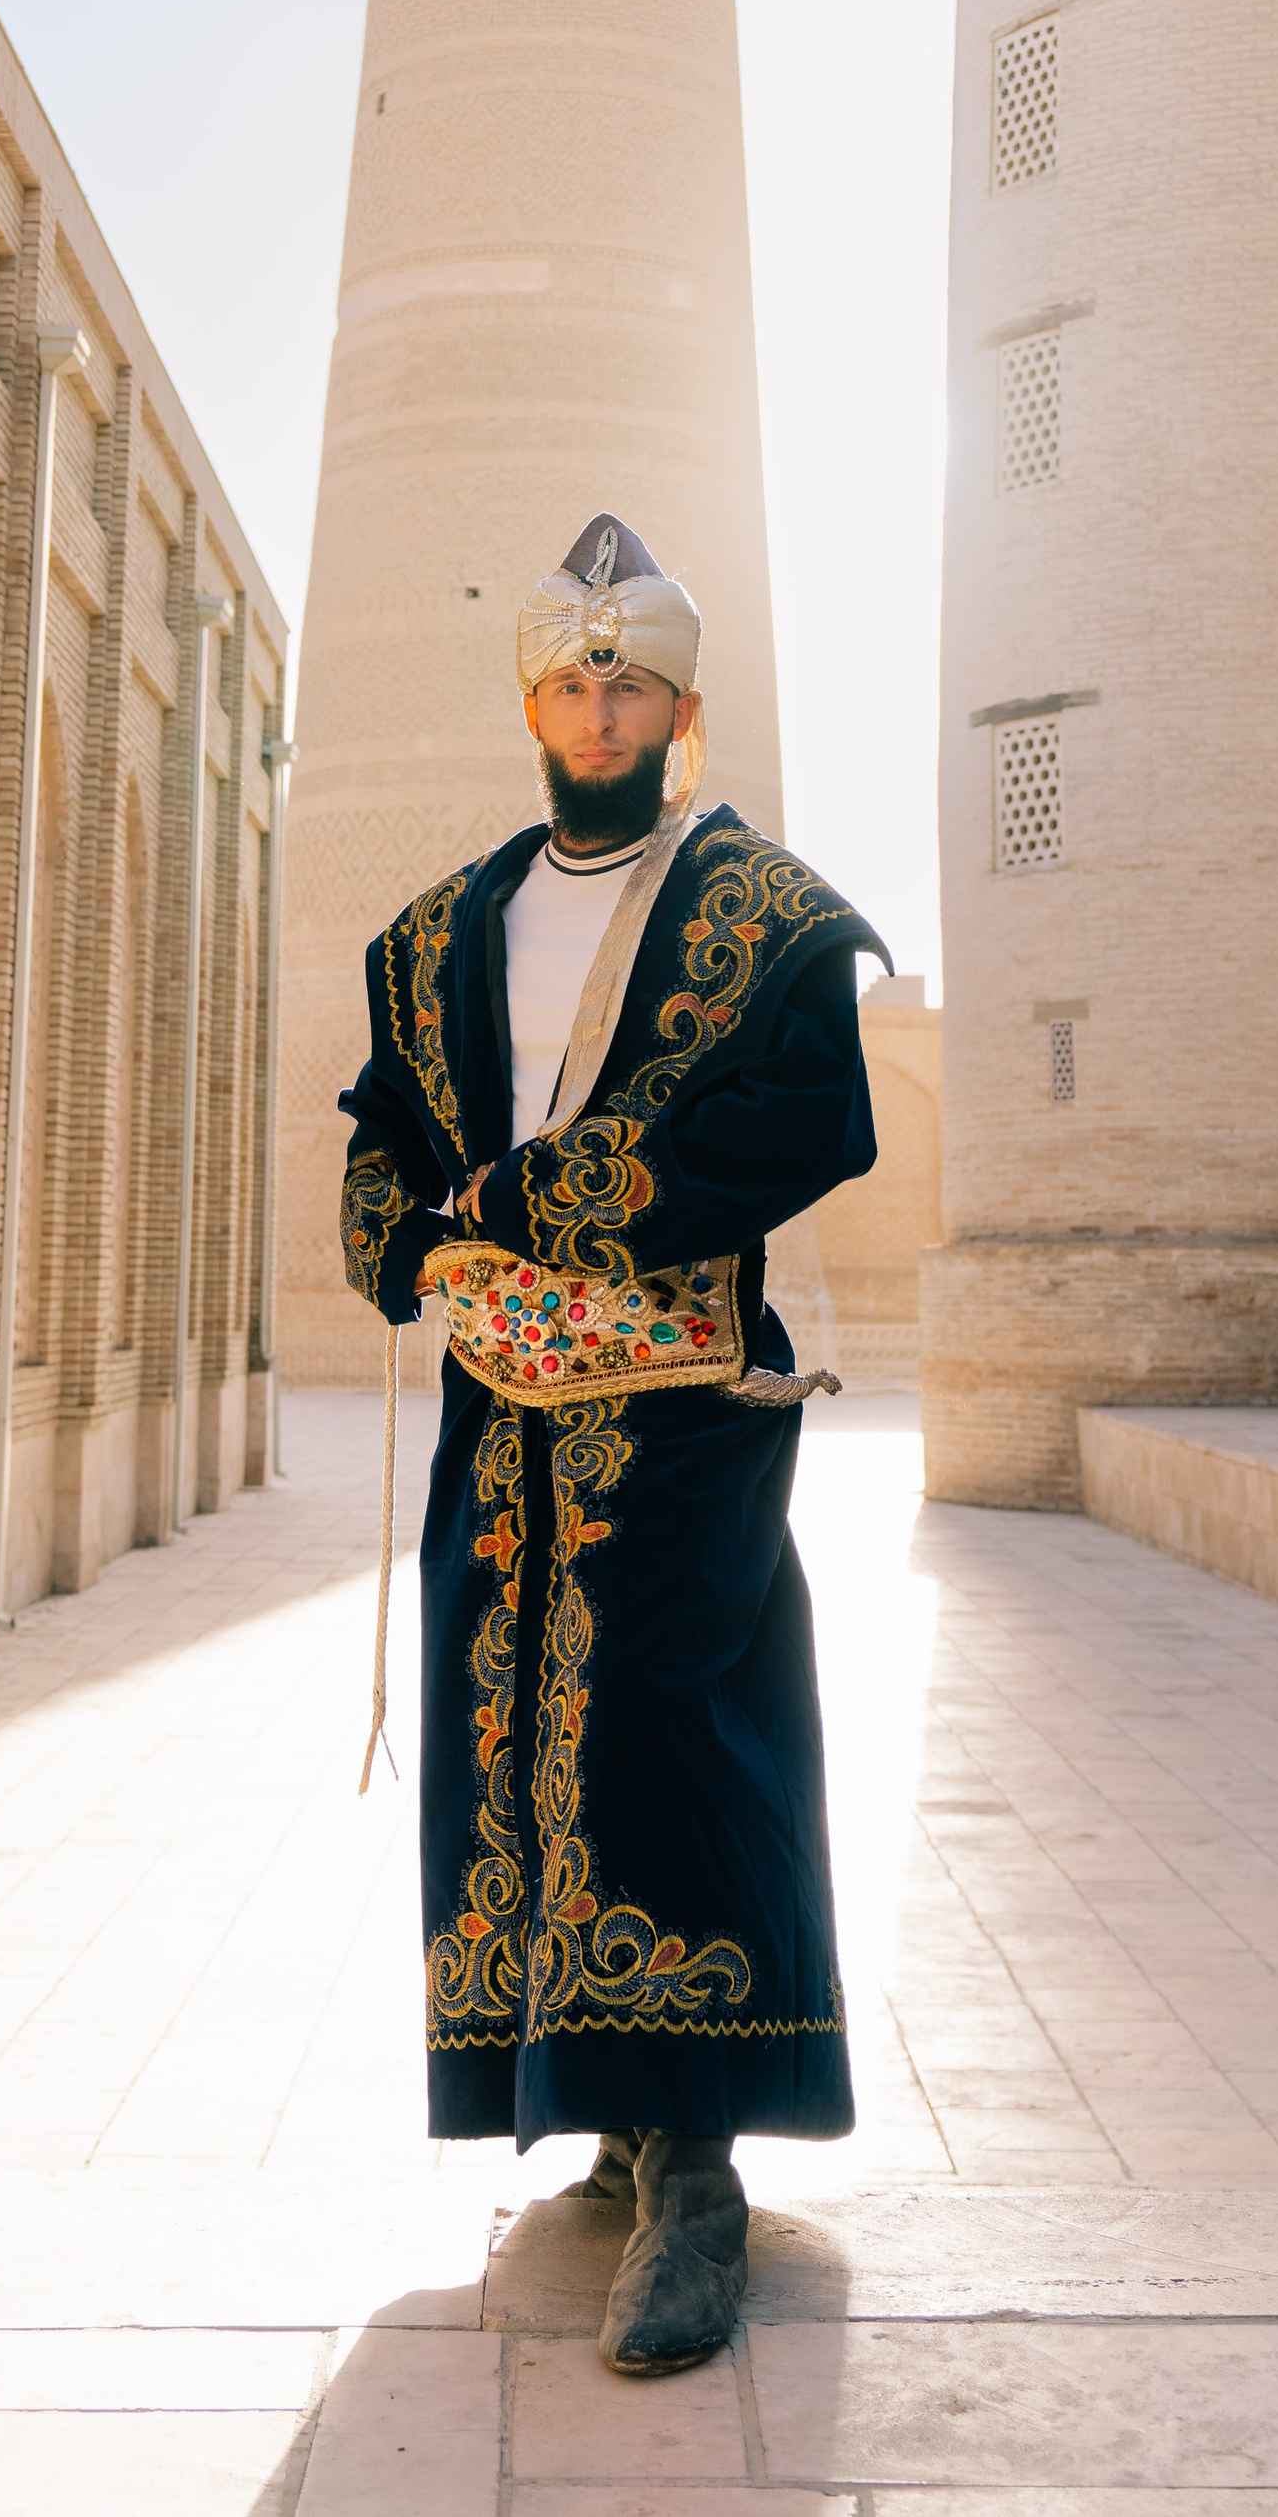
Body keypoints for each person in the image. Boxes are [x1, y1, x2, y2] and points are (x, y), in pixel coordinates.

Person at [336, 511, 886, 2376]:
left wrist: (561, 1192)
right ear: (534, 701)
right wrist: (413, 1235)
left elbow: (812, 1121)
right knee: (507, 1742)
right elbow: (383, 1148)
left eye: (630, 680)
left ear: (682, 708)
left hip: (682, 1410)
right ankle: (601, 2099)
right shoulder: (441, 936)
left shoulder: (761, 917)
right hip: (503, 1422)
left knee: (663, 1722)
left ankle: (700, 2168)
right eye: (573, 680)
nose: (599, 706)